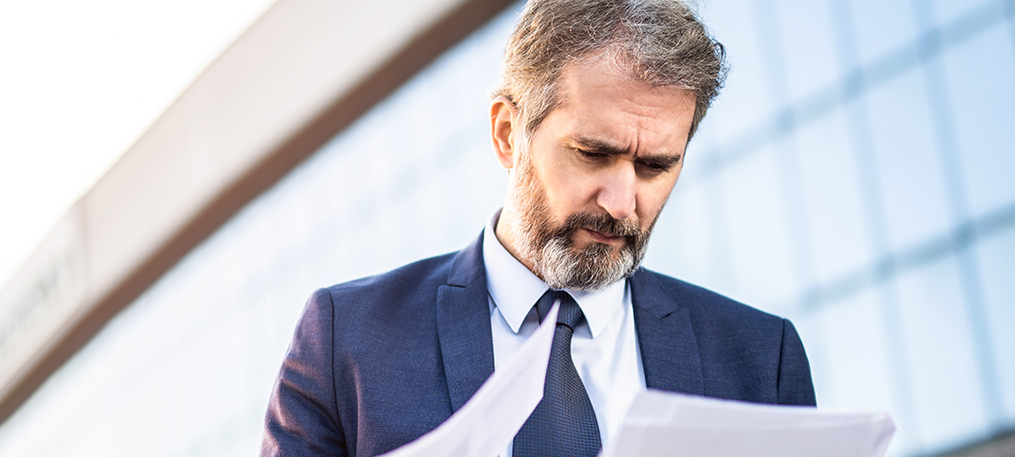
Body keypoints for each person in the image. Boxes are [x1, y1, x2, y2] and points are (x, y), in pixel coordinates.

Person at [261, 0, 815, 456]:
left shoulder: (762, 362)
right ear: (508, 133)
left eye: (655, 167)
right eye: (593, 154)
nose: (623, 204)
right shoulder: (349, 340)